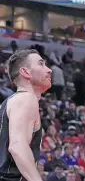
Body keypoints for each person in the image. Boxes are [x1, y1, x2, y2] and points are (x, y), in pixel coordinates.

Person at [0, 49, 52, 181]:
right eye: (41, 64)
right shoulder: (26, 98)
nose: (49, 70)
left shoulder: (9, 103)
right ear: (25, 72)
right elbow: (17, 146)